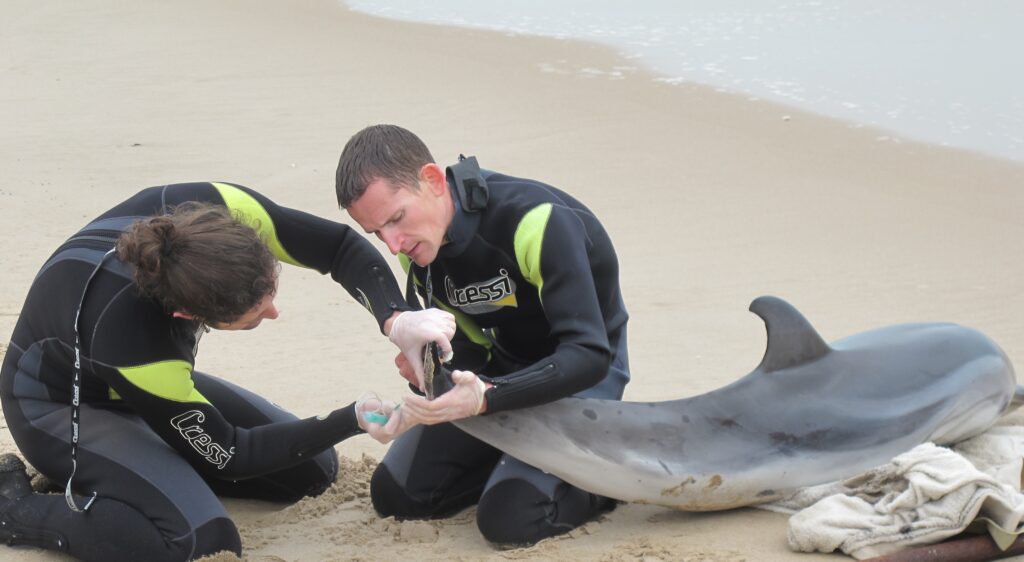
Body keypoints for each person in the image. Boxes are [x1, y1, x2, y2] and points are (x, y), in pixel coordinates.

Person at [0, 181, 449, 561]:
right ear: (188, 315)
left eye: (270, 290)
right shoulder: (135, 341)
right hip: (54, 406)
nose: (274, 312)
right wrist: (349, 418)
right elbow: (230, 454)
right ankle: (16, 511)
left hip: (135, 389)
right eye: (254, 314)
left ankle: (135, 466)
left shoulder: (217, 209)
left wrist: (397, 319)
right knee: (202, 538)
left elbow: (337, 247)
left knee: (314, 470)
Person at [336, 125, 631, 545]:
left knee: (510, 520)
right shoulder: (420, 251)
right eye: (377, 233)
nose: (393, 245)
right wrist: (430, 377)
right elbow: (471, 351)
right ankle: (513, 461)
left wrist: (486, 396)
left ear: (434, 181)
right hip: (503, 375)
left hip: (584, 382)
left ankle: (600, 478)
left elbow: (589, 354)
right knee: (397, 495)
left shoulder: (537, 221)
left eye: (396, 219)